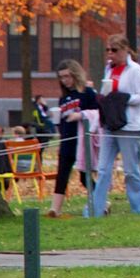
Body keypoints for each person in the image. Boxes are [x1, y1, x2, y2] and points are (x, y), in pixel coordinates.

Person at [86, 34, 140, 218]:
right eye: (108, 50)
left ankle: (139, 209)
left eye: (114, 50)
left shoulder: (137, 71)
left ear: (125, 50)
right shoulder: (109, 70)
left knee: (131, 170)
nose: (110, 54)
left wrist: (125, 99)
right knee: (104, 168)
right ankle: (95, 210)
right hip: (109, 123)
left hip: (129, 125)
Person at [47, 59, 98, 216]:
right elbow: (62, 120)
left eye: (67, 76)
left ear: (75, 74)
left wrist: (81, 115)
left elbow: (97, 115)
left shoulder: (87, 94)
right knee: (62, 174)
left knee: (85, 176)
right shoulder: (63, 98)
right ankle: (55, 209)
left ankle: (101, 201)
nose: (65, 80)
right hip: (66, 140)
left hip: (82, 140)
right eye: (61, 77)